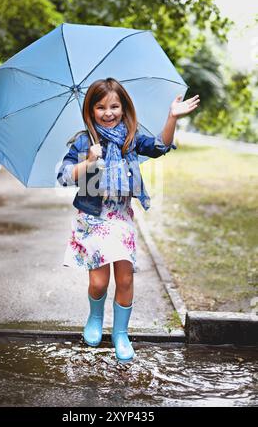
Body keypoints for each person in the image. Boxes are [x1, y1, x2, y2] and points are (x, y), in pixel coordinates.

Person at [57, 77, 200, 363]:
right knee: (98, 283)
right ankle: (95, 319)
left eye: (114, 106)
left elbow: (161, 146)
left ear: (123, 108)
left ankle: (120, 333)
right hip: (92, 218)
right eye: (100, 107)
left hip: (120, 217)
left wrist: (172, 117)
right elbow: (62, 176)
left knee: (124, 279)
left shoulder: (129, 139)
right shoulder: (85, 141)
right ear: (90, 110)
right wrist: (87, 163)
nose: (108, 113)